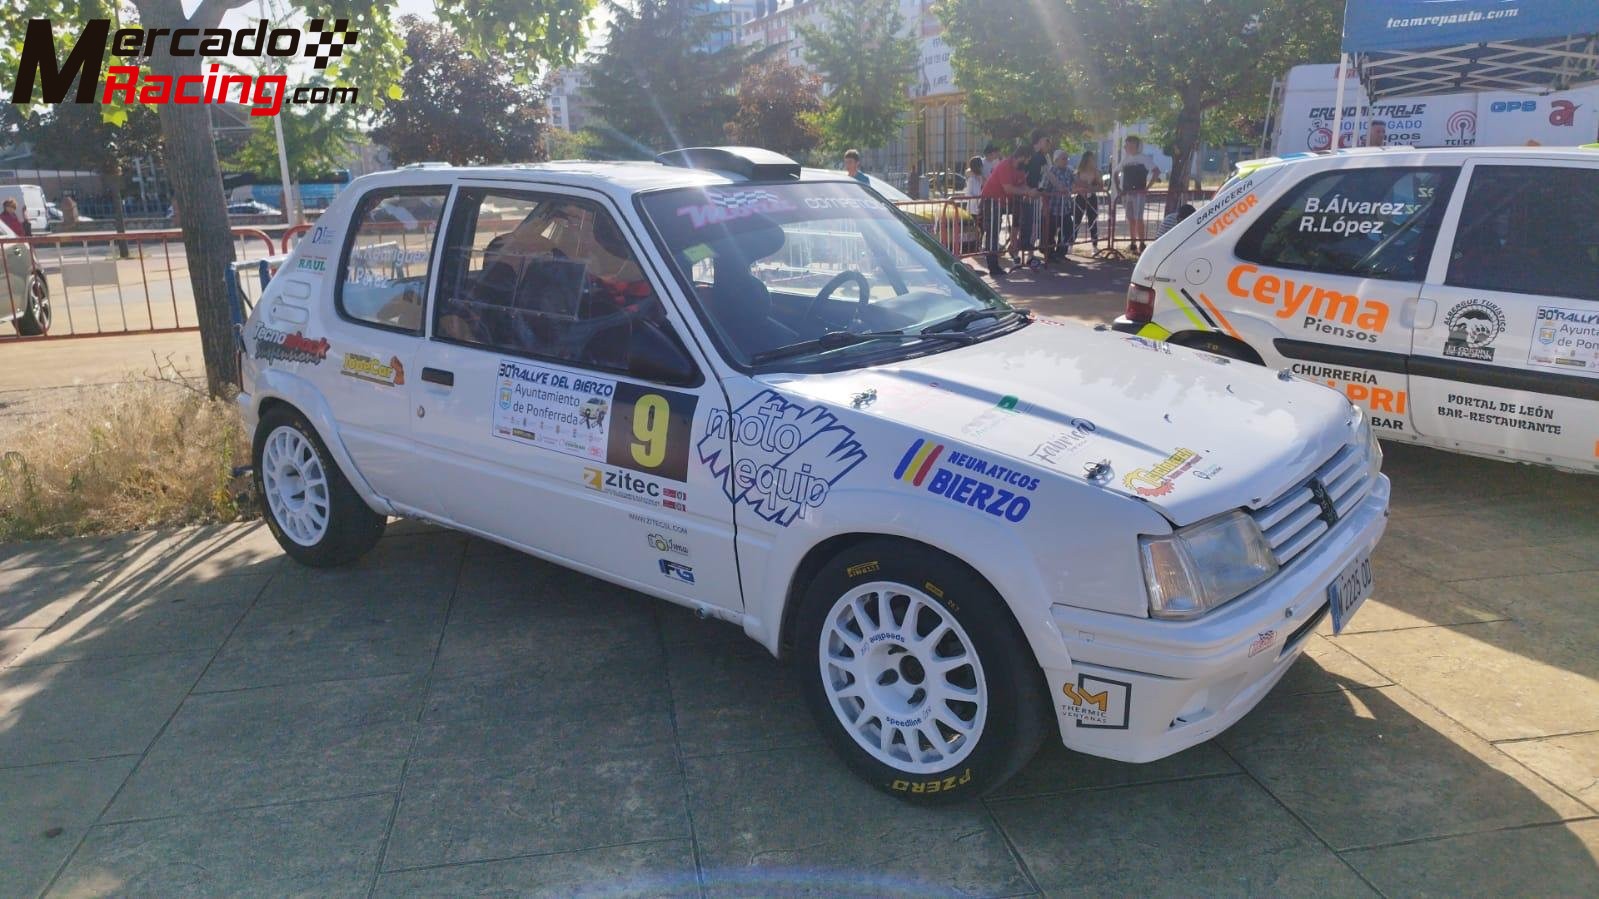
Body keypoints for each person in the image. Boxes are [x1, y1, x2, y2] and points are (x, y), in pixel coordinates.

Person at [978, 144, 1038, 278]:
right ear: (1022, 156)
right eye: (1028, 159)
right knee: (993, 231)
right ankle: (993, 265)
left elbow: (1021, 184)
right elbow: (1008, 188)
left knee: (1023, 214)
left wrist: (1032, 191)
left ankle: (1023, 242)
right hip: (991, 200)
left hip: (1003, 201)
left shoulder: (1020, 168)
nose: (1028, 162)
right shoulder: (1005, 165)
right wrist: (1028, 191)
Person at [1116, 135, 1155, 252]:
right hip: (1127, 193)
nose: (1128, 147)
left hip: (1139, 193)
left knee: (1138, 218)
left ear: (1137, 146)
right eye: (1127, 145)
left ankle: (1142, 243)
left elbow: (1156, 171)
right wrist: (1118, 188)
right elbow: (1115, 172)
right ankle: (1132, 243)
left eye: (1132, 145)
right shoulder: (1125, 159)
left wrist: (1147, 188)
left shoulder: (1144, 158)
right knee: (1131, 218)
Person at [1039, 149, 1075, 262]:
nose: (1066, 161)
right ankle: (1049, 253)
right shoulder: (1051, 171)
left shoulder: (1069, 171)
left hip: (1065, 207)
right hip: (1052, 207)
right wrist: (1044, 206)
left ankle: (1061, 252)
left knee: (1068, 229)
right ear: (1056, 160)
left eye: (1067, 158)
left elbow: (1075, 182)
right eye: (1063, 159)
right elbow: (1044, 189)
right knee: (1050, 232)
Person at [1072, 150, 1101, 254]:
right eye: (1090, 159)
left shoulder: (1095, 172)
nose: (1092, 161)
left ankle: (1095, 245)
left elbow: (1100, 186)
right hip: (1080, 198)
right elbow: (1073, 187)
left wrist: (1091, 188)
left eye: (1092, 159)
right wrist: (1080, 189)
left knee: (1093, 222)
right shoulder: (1078, 172)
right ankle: (1070, 244)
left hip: (1091, 198)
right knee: (1076, 221)